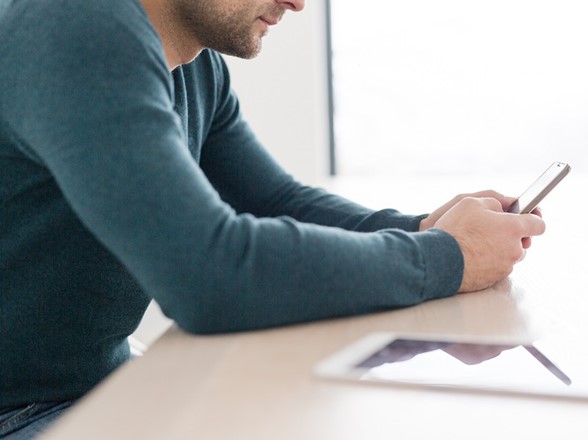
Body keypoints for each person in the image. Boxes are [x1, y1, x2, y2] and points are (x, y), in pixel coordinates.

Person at [0, 0, 546, 437]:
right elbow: (209, 277)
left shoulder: (192, 64)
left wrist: (423, 229)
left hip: (91, 387)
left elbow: (277, 200)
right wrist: (450, 257)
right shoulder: (73, 24)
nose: (298, 3)